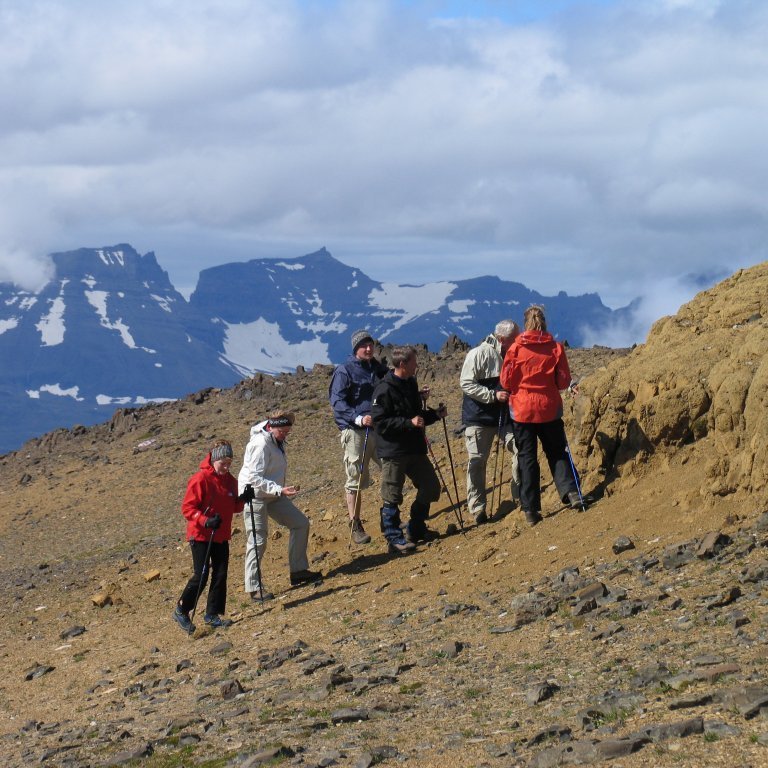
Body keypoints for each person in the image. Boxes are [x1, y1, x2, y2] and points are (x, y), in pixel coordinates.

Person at [500, 305, 584, 526]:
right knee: (557, 452)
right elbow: (563, 381)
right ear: (544, 322)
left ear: (525, 323)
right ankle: (572, 493)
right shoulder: (555, 348)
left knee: (527, 458)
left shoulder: (515, 349)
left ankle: (531, 510)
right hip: (549, 408)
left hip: (522, 411)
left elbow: (506, 382)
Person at [371, 345, 446, 553]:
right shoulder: (384, 388)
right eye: (414, 361)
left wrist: (435, 415)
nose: (417, 365)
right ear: (402, 364)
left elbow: (416, 416)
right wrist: (408, 423)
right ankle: (394, 538)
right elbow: (380, 422)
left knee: (431, 486)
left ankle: (416, 528)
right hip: (394, 451)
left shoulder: (410, 383)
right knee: (392, 495)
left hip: (414, 447)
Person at [238, 411, 321, 599]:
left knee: (300, 523)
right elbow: (253, 477)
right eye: (282, 431)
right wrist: (279, 489)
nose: (285, 435)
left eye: (287, 432)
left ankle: (298, 570)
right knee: (258, 540)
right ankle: (254, 587)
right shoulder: (260, 445)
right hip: (254, 495)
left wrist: (277, 490)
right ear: (271, 427)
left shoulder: (275, 439)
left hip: (273, 493)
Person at [174, 439, 244, 632]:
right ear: (214, 459)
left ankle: (212, 614)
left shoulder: (231, 481)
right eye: (223, 463)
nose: (226, 466)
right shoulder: (200, 479)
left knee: (220, 574)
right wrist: (204, 520)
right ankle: (182, 608)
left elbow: (235, 506)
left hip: (220, 534)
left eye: (229, 462)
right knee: (202, 574)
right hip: (201, 535)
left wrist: (244, 499)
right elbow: (188, 508)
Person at [329, 329, 389, 545]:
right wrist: (358, 418)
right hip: (355, 431)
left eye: (371, 344)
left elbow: (392, 386)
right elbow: (337, 403)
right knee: (355, 478)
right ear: (355, 348)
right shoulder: (344, 371)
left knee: (391, 468)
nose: (369, 348)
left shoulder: (378, 368)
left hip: (378, 428)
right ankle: (355, 524)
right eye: (364, 345)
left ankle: (388, 516)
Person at [460, 319, 520, 524]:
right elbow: (466, 383)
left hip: (505, 416)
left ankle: (519, 496)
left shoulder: (513, 354)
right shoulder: (479, 354)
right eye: (515, 338)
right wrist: (492, 395)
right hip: (478, 417)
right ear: (502, 339)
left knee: (521, 449)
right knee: (477, 461)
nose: (518, 341)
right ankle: (478, 509)